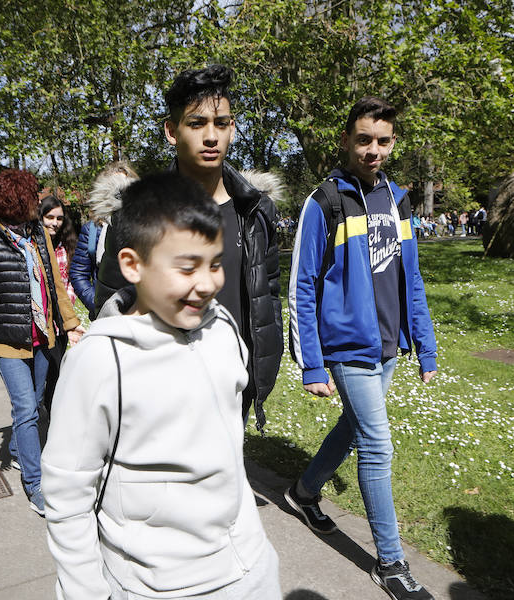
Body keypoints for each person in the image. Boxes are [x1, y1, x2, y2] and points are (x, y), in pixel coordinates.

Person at [41, 172, 281, 600]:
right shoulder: (98, 360)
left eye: (215, 263)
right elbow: (67, 496)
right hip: (156, 587)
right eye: (187, 267)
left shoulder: (223, 328)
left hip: (250, 571)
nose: (207, 283)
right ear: (132, 264)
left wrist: (260, 567)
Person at [287, 97, 438, 600]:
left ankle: (303, 492)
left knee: (353, 429)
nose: (374, 150)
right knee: (377, 444)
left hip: (390, 346)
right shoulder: (324, 201)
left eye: (384, 140)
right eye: (364, 139)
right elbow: (302, 284)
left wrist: (426, 345)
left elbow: (409, 275)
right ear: (348, 141)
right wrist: (311, 362)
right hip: (347, 347)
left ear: (393, 142)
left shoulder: (398, 200)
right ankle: (391, 563)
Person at [94, 64, 283, 429]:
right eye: (197, 123)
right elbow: (109, 305)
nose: (211, 136)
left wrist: (262, 361)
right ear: (172, 130)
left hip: (235, 384)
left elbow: (269, 291)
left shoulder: (256, 210)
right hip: (161, 392)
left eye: (222, 123)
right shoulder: (139, 213)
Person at [0, 169, 82, 515]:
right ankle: (35, 485)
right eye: (31, 197)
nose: (37, 202)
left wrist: (72, 324)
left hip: (42, 336)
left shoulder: (37, 237)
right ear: (17, 202)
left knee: (34, 404)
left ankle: (19, 452)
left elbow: (56, 287)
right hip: (8, 345)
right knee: (26, 409)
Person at [69, 161, 139, 317]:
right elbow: (78, 273)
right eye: (113, 184)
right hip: (104, 312)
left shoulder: (142, 225)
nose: (118, 190)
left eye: (124, 184)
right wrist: (97, 302)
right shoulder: (92, 229)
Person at [40, 191, 78, 305]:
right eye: (50, 217)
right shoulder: (31, 246)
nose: (55, 223)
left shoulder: (68, 248)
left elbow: (73, 281)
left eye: (59, 218)